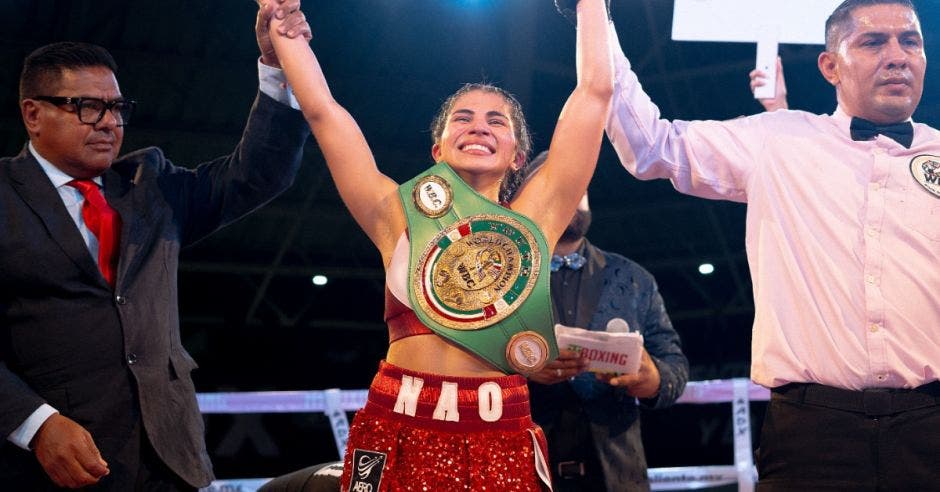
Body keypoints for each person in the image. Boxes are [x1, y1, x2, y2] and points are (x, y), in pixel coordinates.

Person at [265, 0, 613, 489]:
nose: (479, 126)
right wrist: (282, 26)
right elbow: (324, 113)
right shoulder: (396, 214)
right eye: (463, 118)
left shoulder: (536, 221)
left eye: (497, 121)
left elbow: (595, 93)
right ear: (438, 149)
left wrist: (591, 4)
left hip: (499, 430)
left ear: (518, 157)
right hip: (394, 424)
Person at [601, 0, 940, 489]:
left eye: (911, 41)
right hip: (812, 433)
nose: (897, 55)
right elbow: (651, 146)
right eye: (873, 41)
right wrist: (595, 20)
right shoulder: (779, 141)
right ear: (830, 66)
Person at [0, 2, 312, 489]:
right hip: (45, 468)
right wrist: (35, 424)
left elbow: (256, 175)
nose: (108, 122)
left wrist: (277, 65)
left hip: (171, 461)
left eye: (117, 108)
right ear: (33, 114)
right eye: (87, 106)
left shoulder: (151, 185)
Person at [523, 151, 689, 491]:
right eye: (562, 181)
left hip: (618, 476)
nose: (576, 190)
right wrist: (523, 368)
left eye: (580, 182)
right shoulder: (504, 277)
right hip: (523, 471)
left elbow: (675, 365)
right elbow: (467, 363)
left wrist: (652, 377)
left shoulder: (632, 278)